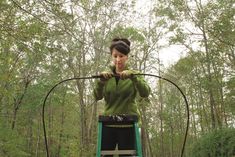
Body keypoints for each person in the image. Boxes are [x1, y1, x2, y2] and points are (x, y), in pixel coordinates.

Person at [93, 37, 150, 156]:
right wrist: (101, 82)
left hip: (128, 124)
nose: (118, 59)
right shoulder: (106, 75)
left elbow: (145, 93)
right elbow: (97, 96)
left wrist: (133, 77)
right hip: (108, 124)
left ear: (127, 57)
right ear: (111, 56)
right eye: (115, 56)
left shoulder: (135, 74)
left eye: (121, 56)